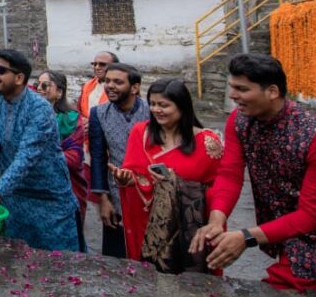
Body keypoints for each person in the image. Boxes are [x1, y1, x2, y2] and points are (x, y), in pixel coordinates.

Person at [190, 54, 316, 296]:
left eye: (242, 89)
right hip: (289, 239)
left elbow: (312, 215)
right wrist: (216, 221)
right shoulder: (239, 122)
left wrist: (247, 237)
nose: (232, 95)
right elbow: (230, 175)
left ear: (272, 91)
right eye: (232, 87)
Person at [0, 49, 79, 251]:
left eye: (1, 70)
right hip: (13, 197)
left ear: (19, 78)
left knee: (57, 269)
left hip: (48, 200)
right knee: (15, 265)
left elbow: (26, 158)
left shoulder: (40, 109)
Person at [111, 79, 222, 272]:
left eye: (163, 105)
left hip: (188, 227)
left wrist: (176, 185)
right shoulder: (141, 133)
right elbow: (134, 173)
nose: (156, 109)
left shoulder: (207, 142)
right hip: (148, 225)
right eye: (152, 104)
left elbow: (218, 189)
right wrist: (127, 179)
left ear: (182, 106)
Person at [89, 61, 150, 258]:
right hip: (116, 195)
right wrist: (103, 198)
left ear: (134, 87)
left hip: (149, 193)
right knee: (116, 258)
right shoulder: (98, 113)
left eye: (118, 82)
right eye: (107, 81)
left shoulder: (151, 112)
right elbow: (97, 157)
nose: (110, 86)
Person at [36, 70, 89, 252]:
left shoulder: (72, 120)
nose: (39, 89)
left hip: (67, 187)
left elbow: (74, 159)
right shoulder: (30, 116)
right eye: (38, 85)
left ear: (59, 92)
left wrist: (36, 156)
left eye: (45, 85)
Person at [78, 50, 117, 119]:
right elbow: (79, 110)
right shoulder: (87, 86)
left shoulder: (121, 88)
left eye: (102, 64)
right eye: (95, 64)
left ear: (115, 67)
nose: (97, 67)